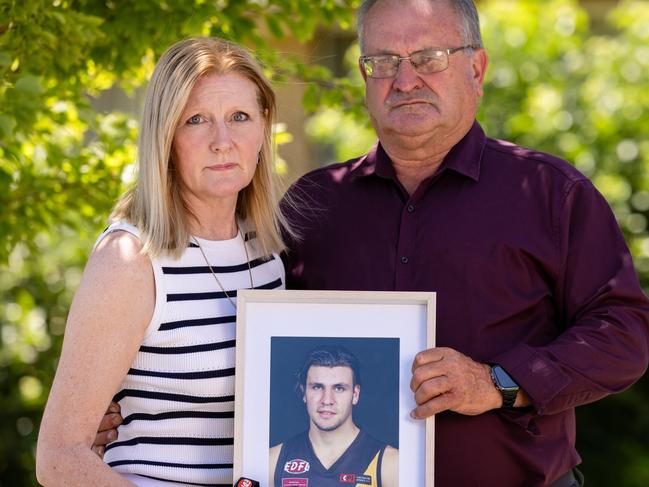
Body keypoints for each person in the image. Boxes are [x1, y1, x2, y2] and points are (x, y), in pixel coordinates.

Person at [93, 1, 649, 485]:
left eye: (429, 58)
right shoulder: (312, 206)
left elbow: (625, 333)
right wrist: (123, 403)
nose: (404, 80)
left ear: (476, 68)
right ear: (363, 78)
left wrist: (500, 382)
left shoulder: (549, 194)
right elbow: (233, 327)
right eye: (382, 62)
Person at [36, 36, 290, 486]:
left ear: (264, 128)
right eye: (196, 120)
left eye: (239, 117)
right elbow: (58, 460)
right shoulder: (131, 260)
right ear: (166, 136)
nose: (222, 141)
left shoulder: (267, 253)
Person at [269, 346, 398, 487]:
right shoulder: (273, 460)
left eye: (339, 388)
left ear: (355, 395)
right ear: (304, 392)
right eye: (317, 387)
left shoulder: (389, 462)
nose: (327, 400)